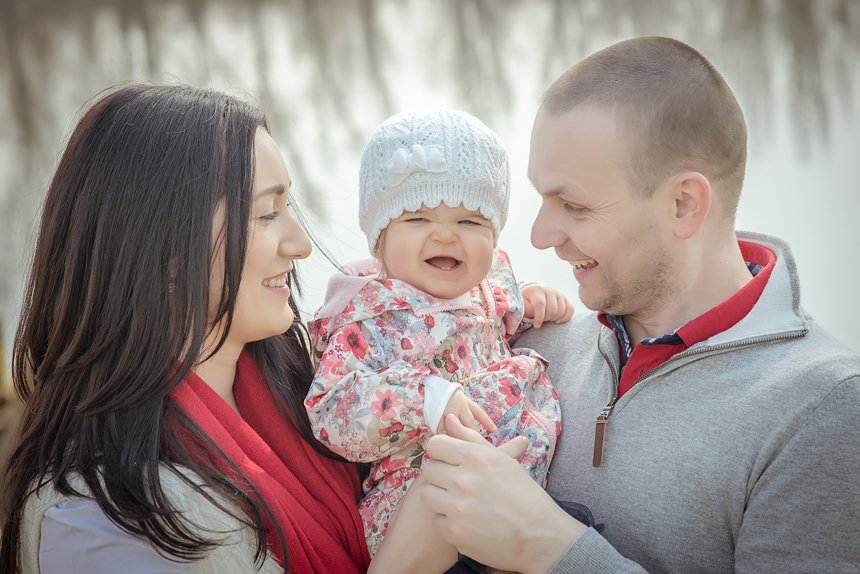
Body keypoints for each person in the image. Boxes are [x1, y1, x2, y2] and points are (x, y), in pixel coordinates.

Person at [417, 36, 860, 573]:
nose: (539, 235)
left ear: (683, 204)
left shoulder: (823, 408)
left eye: (573, 205)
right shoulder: (526, 348)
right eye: (542, 198)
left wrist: (550, 548)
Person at [0, 84, 373, 573]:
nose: (301, 244)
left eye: (288, 207)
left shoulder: (326, 398)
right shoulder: (97, 520)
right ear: (168, 245)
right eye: (267, 213)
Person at [303, 110, 576, 572]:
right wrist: (425, 397)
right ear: (380, 241)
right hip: (426, 512)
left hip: (514, 510)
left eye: (470, 221)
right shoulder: (372, 318)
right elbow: (333, 410)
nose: (446, 234)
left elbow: (491, 332)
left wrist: (530, 298)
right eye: (418, 217)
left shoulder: (489, 291)